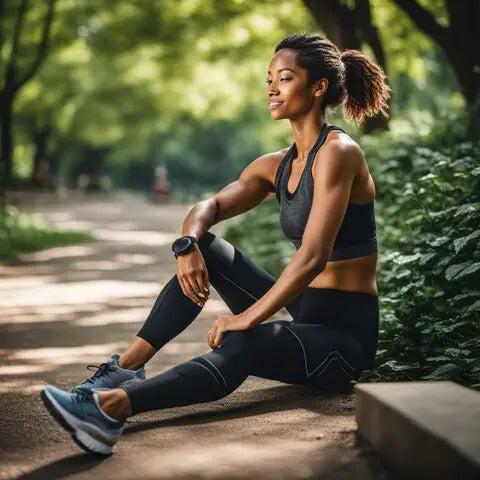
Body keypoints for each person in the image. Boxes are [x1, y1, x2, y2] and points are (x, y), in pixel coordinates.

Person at [41, 32, 390, 456]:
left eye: (285, 78)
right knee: (207, 247)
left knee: (245, 340)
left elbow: (313, 258)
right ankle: (125, 370)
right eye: (268, 79)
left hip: (344, 339)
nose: (272, 88)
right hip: (308, 312)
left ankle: (111, 409)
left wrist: (246, 320)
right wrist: (186, 244)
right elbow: (211, 204)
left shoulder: (339, 152)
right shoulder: (277, 165)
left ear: (318, 87)